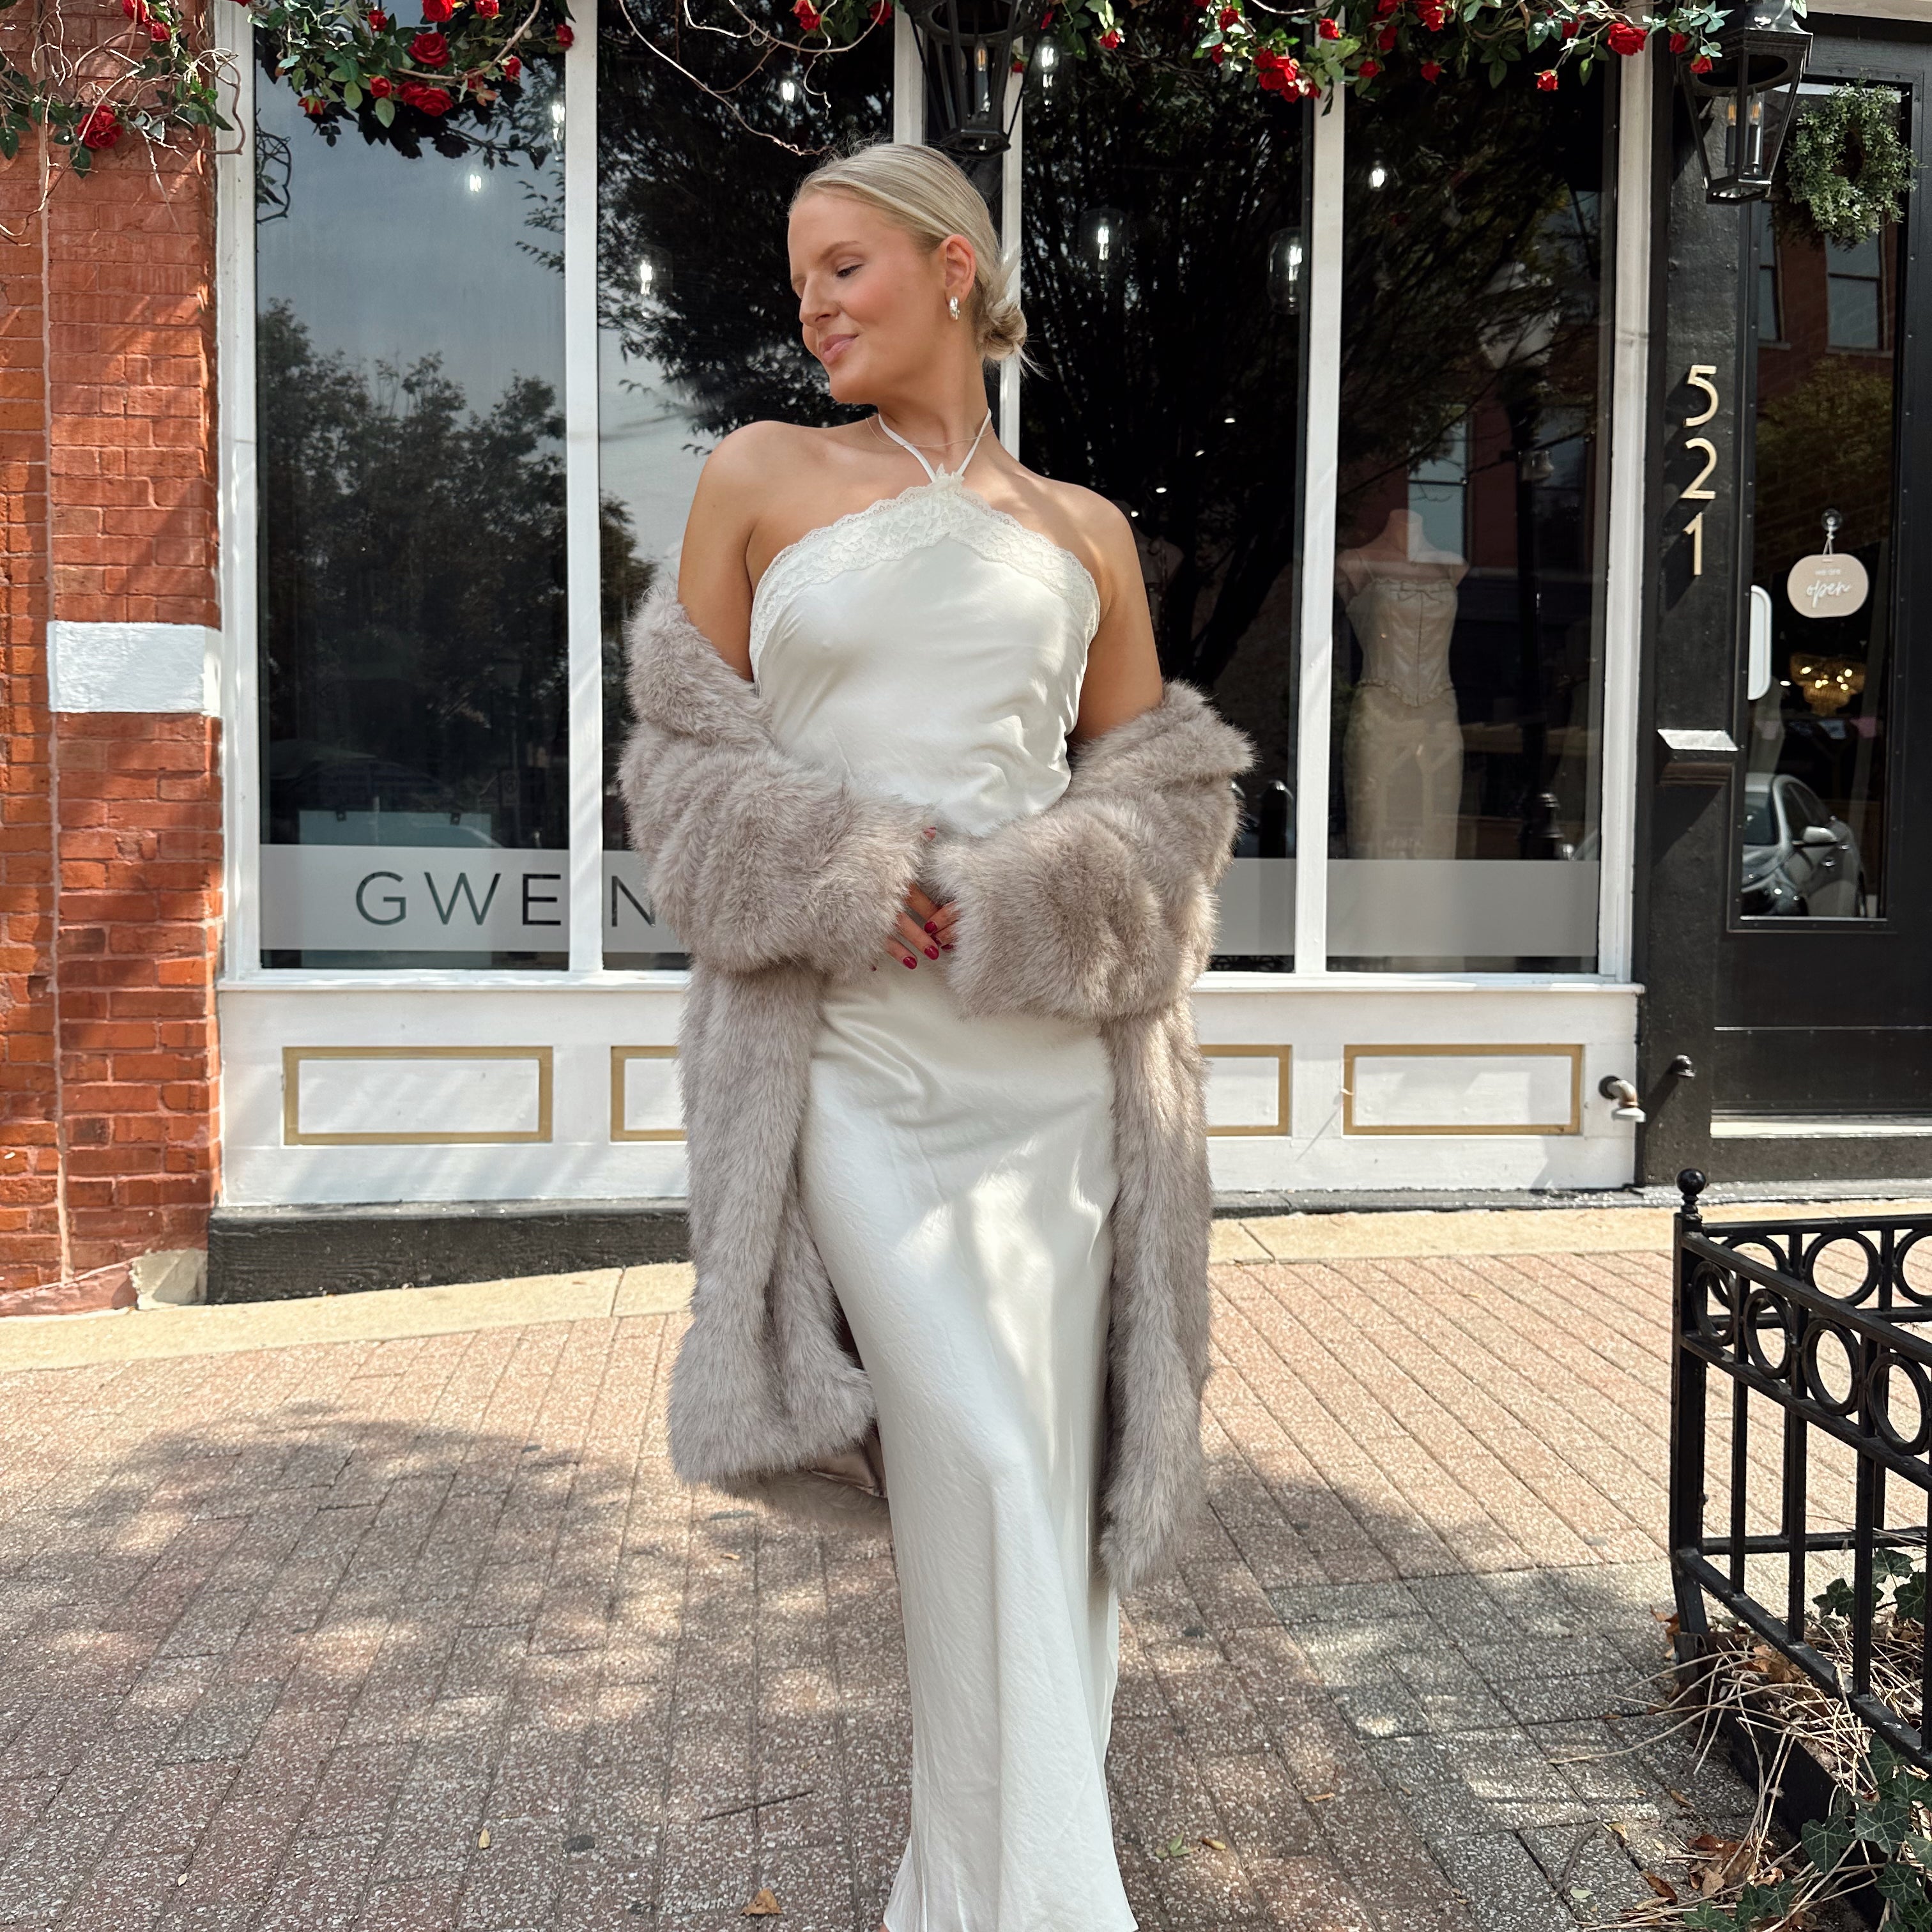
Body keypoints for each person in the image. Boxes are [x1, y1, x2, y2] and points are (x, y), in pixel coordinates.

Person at [621, 138, 1252, 1932]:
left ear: (955, 265)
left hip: (1044, 1075)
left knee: (1041, 1500)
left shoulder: (1084, 535)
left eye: (847, 265)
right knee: (970, 1453)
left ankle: (975, 1886)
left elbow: (1164, 794)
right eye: (800, 274)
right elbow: (679, 767)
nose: (812, 301)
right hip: (851, 1065)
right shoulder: (759, 477)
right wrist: (845, 869)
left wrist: (1028, 897)